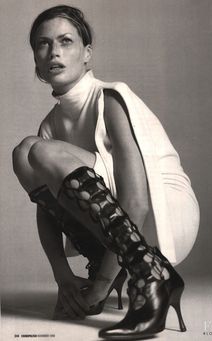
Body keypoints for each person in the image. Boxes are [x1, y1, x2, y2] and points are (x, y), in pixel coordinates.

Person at [12, 5, 200, 340]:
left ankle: (152, 276)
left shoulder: (110, 98)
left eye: (65, 41)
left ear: (86, 55)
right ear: (38, 64)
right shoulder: (50, 126)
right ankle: (110, 265)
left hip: (165, 214)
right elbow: (47, 211)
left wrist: (98, 289)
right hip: (120, 230)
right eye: (43, 44)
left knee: (35, 151)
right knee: (25, 154)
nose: (54, 50)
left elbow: (138, 202)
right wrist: (62, 277)